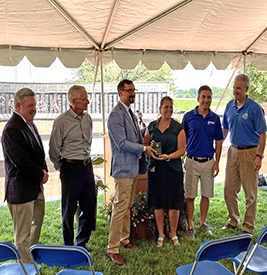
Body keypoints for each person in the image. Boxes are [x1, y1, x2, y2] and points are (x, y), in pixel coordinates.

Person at [106, 79, 156, 266]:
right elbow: (121, 143)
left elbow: (134, 137)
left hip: (133, 167)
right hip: (123, 169)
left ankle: (124, 239)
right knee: (120, 207)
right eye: (129, 91)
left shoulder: (130, 113)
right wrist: (144, 149)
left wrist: (146, 129)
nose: (133, 94)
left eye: (134, 90)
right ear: (120, 92)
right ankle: (112, 248)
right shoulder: (115, 115)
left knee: (126, 206)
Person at [1, 88, 49, 263]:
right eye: (30, 105)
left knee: (35, 227)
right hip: (21, 191)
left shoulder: (29, 123)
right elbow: (20, 161)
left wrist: (43, 171)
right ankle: (26, 269)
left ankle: (29, 260)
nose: (34, 109)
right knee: (22, 236)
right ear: (18, 106)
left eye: (35, 105)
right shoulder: (11, 129)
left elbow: (37, 152)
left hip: (35, 187)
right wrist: (40, 175)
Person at [49, 85, 96, 249]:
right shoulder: (61, 121)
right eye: (84, 99)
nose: (88, 101)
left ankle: (81, 243)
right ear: (73, 101)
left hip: (86, 166)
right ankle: (68, 246)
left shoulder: (88, 119)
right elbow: (54, 149)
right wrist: (61, 166)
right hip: (70, 168)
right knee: (68, 209)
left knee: (89, 207)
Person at [222, 74, 267, 234]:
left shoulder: (254, 108)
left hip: (250, 152)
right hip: (233, 151)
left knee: (250, 194)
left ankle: (247, 227)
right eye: (234, 88)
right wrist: (218, 146)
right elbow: (225, 129)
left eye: (238, 88)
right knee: (228, 190)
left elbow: (263, 134)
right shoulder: (229, 106)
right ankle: (233, 220)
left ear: (246, 89)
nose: (235, 91)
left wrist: (259, 157)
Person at [143, 96, 186, 247]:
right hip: (155, 169)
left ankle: (172, 233)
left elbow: (182, 150)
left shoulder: (178, 127)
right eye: (165, 107)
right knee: (158, 202)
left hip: (172, 168)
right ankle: (161, 234)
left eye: (170, 107)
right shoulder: (152, 126)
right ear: (160, 109)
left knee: (173, 202)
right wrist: (150, 152)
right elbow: (145, 144)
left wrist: (168, 156)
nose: (168, 110)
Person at [182, 85, 223, 239]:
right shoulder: (188, 117)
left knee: (206, 194)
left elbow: (219, 141)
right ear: (198, 98)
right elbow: (181, 138)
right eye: (203, 97)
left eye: (209, 97)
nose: (206, 100)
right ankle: (190, 226)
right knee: (190, 196)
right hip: (192, 161)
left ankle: (203, 223)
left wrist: (217, 162)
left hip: (208, 162)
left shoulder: (215, 118)